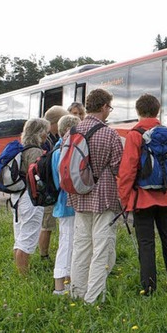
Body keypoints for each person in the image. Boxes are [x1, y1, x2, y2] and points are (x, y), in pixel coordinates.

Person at [117, 93, 167, 295]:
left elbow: (128, 169)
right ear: (158, 110)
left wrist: (125, 198)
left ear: (138, 112)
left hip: (142, 199)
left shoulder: (135, 135)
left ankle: (149, 288)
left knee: (146, 244)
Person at [68, 88, 123, 304]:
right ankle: (93, 298)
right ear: (103, 107)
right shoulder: (109, 133)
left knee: (81, 247)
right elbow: (119, 167)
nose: (109, 111)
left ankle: (76, 292)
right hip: (103, 197)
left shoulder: (73, 131)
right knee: (101, 248)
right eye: (109, 107)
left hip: (78, 196)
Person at [12, 118, 51, 275]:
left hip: (17, 197)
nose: (47, 136)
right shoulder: (35, 151)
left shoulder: (21, 148)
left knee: (20, 236)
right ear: (40, 133)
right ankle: (23, 276)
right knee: (26, 239)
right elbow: (38, 177)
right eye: (46, 132)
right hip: (30, 198)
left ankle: (20, 272)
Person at [51, 115, 81, 295]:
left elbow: (56, 183)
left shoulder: (56, 150)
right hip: (68, 203)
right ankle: (60, 286)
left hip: (61, 203)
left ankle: (68, 283)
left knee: (69, 242)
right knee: (68, 244)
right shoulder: (65, 151)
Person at [38, 106, 69, 259]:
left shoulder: (52, 138)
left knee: (48, 223)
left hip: (51, 186)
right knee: (47, 224)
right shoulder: (46, 140)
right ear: (55, 122)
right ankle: (44, 255)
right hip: (48, 188)